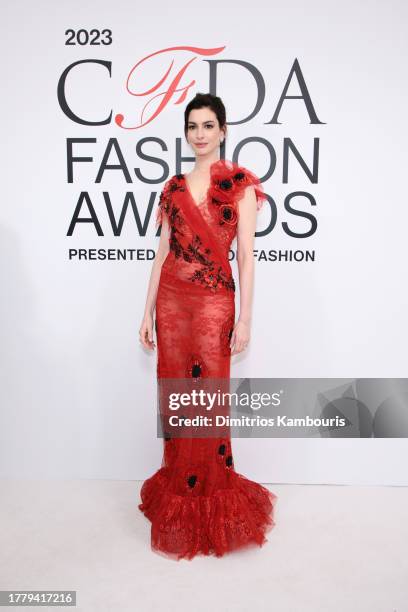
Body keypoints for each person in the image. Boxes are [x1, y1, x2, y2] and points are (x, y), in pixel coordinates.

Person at [138, 92, 277, 560]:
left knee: (209, 400)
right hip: (172, 306)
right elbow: (161, 253)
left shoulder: (240, 185)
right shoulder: (173, 188)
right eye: (192, 126)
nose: (200, 134)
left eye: (208, 125)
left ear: (223, 130)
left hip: (216, 304)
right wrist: (146, 310)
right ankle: (179, 486)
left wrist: (246, 318)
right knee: (177, 397)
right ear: (187, 133)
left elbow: (247, 259)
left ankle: (209, 494)